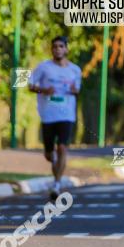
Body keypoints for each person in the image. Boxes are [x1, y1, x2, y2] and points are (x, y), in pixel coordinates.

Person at [28, 36, 82, 201]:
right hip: (48, 114)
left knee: (63, 148)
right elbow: (30, 85)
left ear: (66, 49)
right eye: (54, 47)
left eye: (60, 46)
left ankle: (57, 184)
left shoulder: (75, 70)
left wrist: (74, 90)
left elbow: (77, 90)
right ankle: (54, 162)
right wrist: (43, 90)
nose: (57, 49)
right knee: (49, 154)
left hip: (66, 114)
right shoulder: (44, 68)